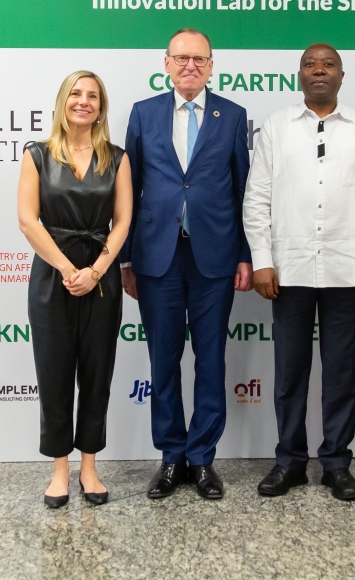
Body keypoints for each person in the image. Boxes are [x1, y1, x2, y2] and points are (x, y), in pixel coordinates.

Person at [244, 43, 355, 501]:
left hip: (347, 271)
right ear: (299, 75)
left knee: (341, 371)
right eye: (311, 64)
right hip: (287, 270)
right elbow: (258, 200)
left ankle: (336, 464)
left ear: (342, 76)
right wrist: (263, 260)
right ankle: (288, 461)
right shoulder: (275, 127)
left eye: (328, 64)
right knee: (289, 372)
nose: (319, 70)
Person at [121, 28, 253, 501]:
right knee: (163, 361)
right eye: (181, 58)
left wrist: (245, 254)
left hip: (214, 256)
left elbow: (244, 192)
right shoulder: (144, 113)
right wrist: (125, 260)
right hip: (156, 256)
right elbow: (127, 191)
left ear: (212, 65)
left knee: (211, 360)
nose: (190, 66)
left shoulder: (233, 116)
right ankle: (171, 456)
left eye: (199, 59)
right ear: (166, 62)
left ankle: (202, 459)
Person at [17, 70, 132, 509]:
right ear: (63, 101)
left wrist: (98, 270)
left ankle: (89, 466)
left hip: (100, 279)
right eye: (76, 94)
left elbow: (122, 221)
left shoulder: (117, 158)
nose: (84, 102)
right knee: (55, 373)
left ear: (101, 108)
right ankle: (60, 470)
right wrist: (69, 269)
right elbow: (28, 221)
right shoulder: (38, 154)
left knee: (97, 374)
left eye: (93, 96)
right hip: (53, 275)